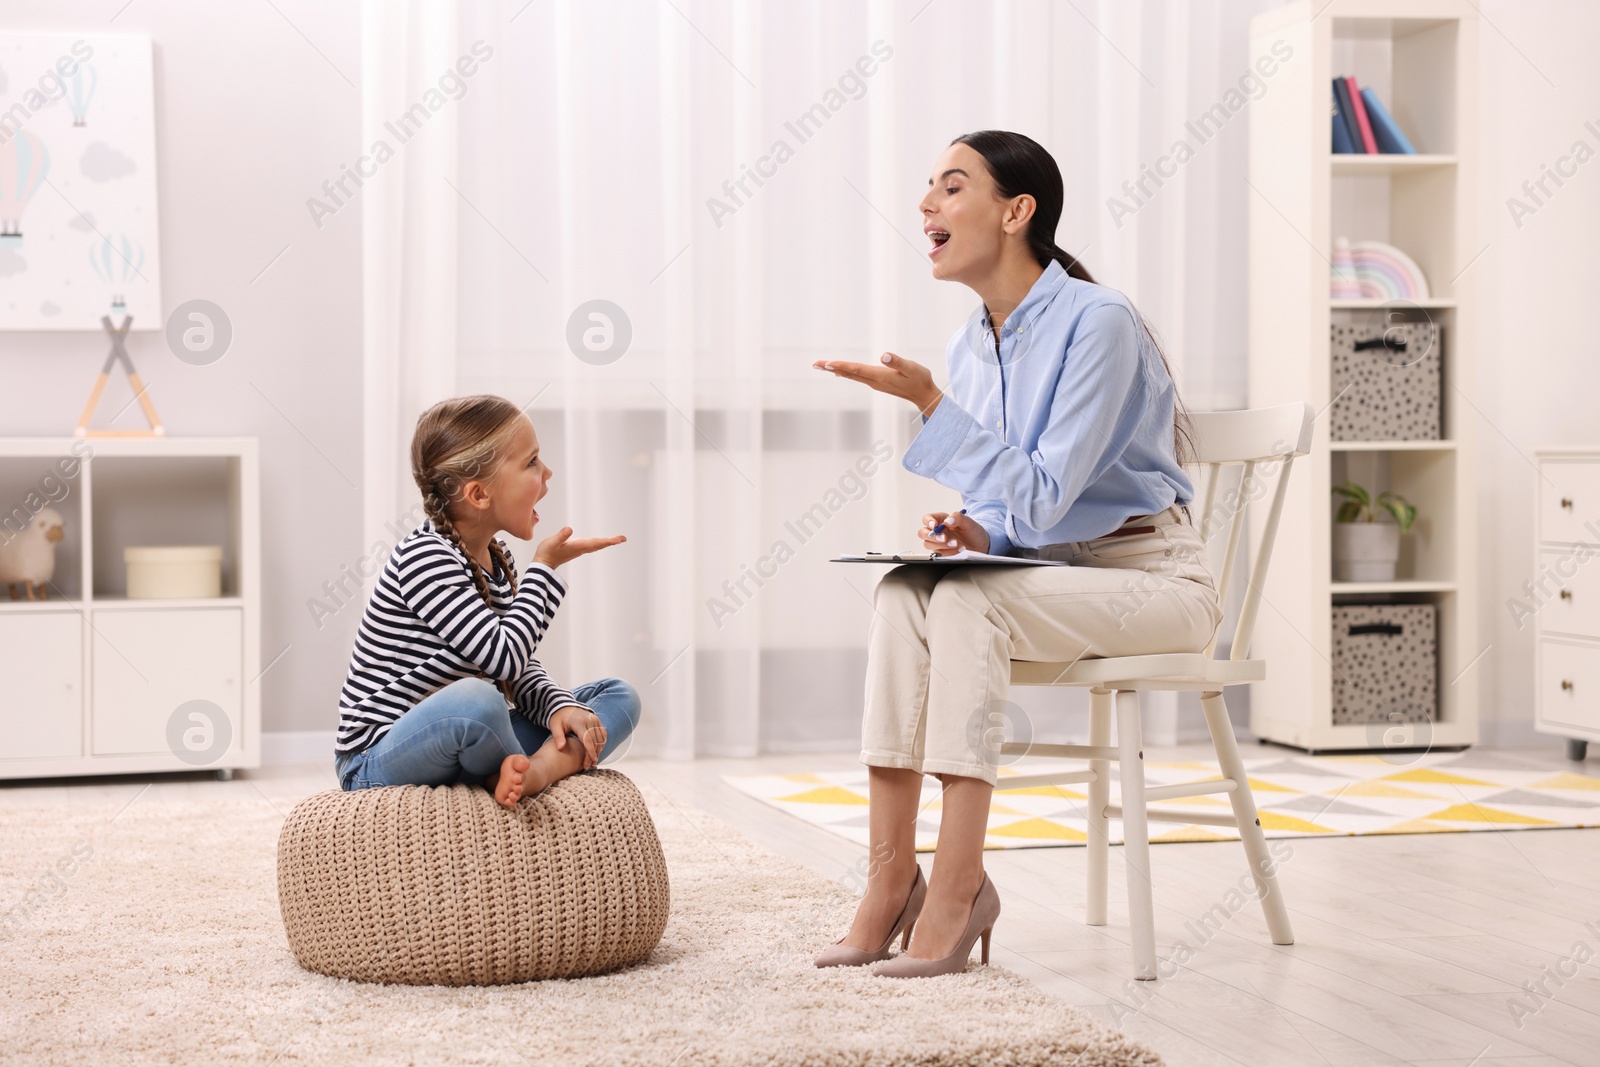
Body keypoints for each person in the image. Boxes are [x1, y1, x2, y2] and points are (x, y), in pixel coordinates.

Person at [811, 130, 1223, 978]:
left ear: (1015, 211)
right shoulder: (974, 341)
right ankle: (890, 880)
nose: (927, 202)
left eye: (951, 186)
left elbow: (1046, 496)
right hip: (1059, 577)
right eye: (928, 186)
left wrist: (931, 405)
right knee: (902, 590)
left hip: (1157, 582)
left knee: (967, 601)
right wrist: (977, 534)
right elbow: (1016, 514)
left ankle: (960, 889)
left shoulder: (1097, 321)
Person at [333, 394, 638, 808]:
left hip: (472, 744)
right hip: (380, 757)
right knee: (477, 700)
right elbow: (503, 657)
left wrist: (558, 710)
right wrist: (544, 567)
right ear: (479, 495)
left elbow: (520, 668)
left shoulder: (496, 557)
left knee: (615, 696)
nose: (548, 472)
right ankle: (516, 764)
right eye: (532, 462)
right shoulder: (426, 558)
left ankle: (534, 772)